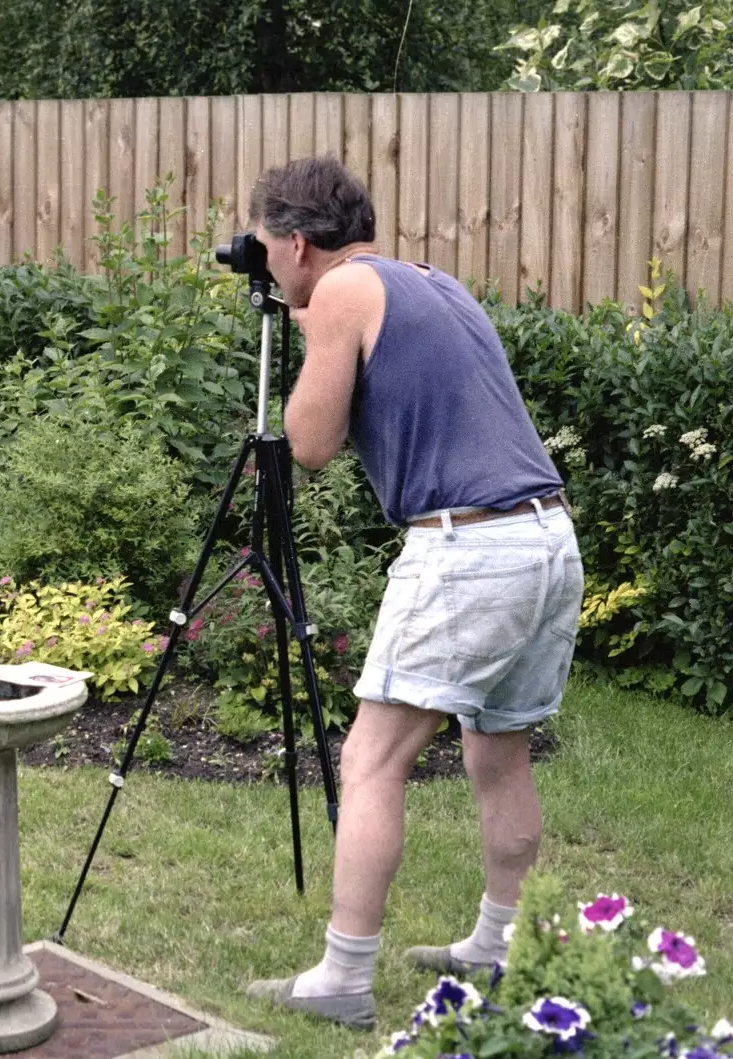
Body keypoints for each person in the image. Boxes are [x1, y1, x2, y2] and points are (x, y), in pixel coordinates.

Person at [241, 156, 584, 1029]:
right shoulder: (435, 280)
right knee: (496, 749)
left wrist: (305, 321)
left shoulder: (342, 293)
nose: (267, 264)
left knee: (371, 759)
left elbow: (309, 443)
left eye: (268, 249)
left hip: (468, 546)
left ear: (295, 241)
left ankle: (342, 976)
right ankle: (498, 942)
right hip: (546, 537)